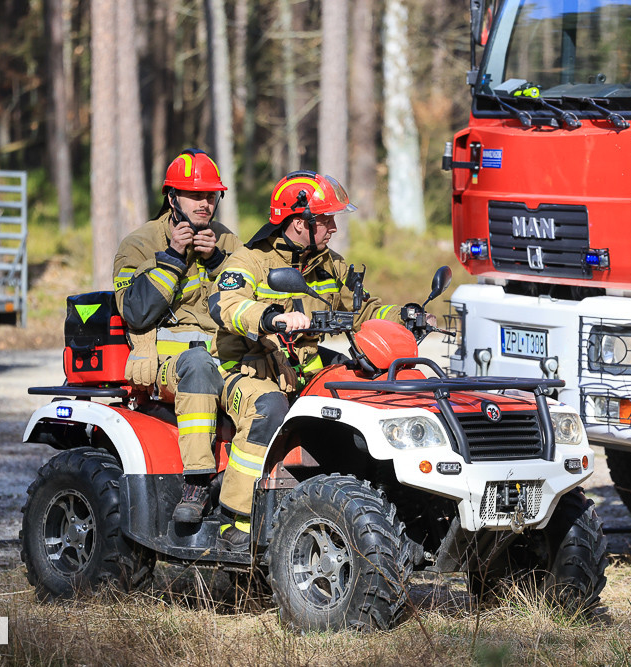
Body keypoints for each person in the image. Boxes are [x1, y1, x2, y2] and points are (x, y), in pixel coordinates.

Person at [207, 170, 431, 551]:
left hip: (302, 366)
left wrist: (405, 315)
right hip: (247, 369)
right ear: (299, 223)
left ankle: (380, 512)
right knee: (268, 408)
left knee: (366, 392)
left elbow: (365, 309)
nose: (333, 228)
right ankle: (236, 519)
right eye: (326, 219)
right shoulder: (249, 261)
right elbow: (224, 303)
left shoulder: (329, 264)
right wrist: (269, 317)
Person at [113, 148, 242, 524]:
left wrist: (219, 263)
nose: (205, 204)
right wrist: (172, 257)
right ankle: (198, 483)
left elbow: (252, 301)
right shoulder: (139, 244)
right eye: (195, 195)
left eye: (211, 196)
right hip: (168, 370)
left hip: (228, 363)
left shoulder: (228, 243)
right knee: (200, 365)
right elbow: (136, 311)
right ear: (172, 198)